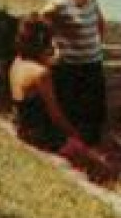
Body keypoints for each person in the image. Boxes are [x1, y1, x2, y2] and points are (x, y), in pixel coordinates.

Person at [40, 0, 109, 168]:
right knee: (73, 109)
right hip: (70, 65)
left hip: (93, 62)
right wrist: (51, 50)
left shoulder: (92, 0)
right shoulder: (58, 4)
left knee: (95, 110)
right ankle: (77, 152)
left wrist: (95, 44)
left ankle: (92, 150)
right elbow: (39, 25)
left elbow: (101, 24)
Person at [9, 17, 89, 161]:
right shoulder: (41, 74)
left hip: (22, 126)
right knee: (92, 156)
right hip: (39, 136)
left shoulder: (18, 61)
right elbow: (56, 115)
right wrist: (75, 136)